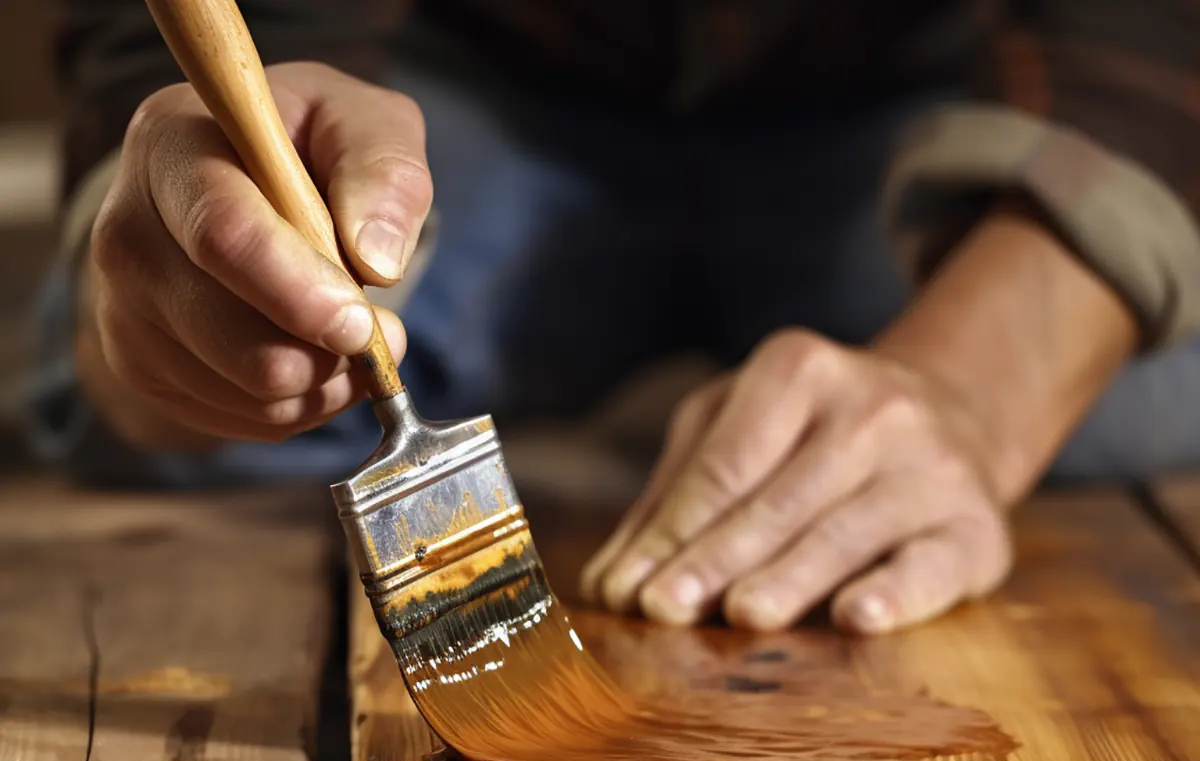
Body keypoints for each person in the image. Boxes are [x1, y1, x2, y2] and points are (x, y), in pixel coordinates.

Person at [30, 2, 1200, 634]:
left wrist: (969, 399)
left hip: (936, 90)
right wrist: (179, 273)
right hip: (473, 83)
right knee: (239, 384)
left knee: (1137, 397)